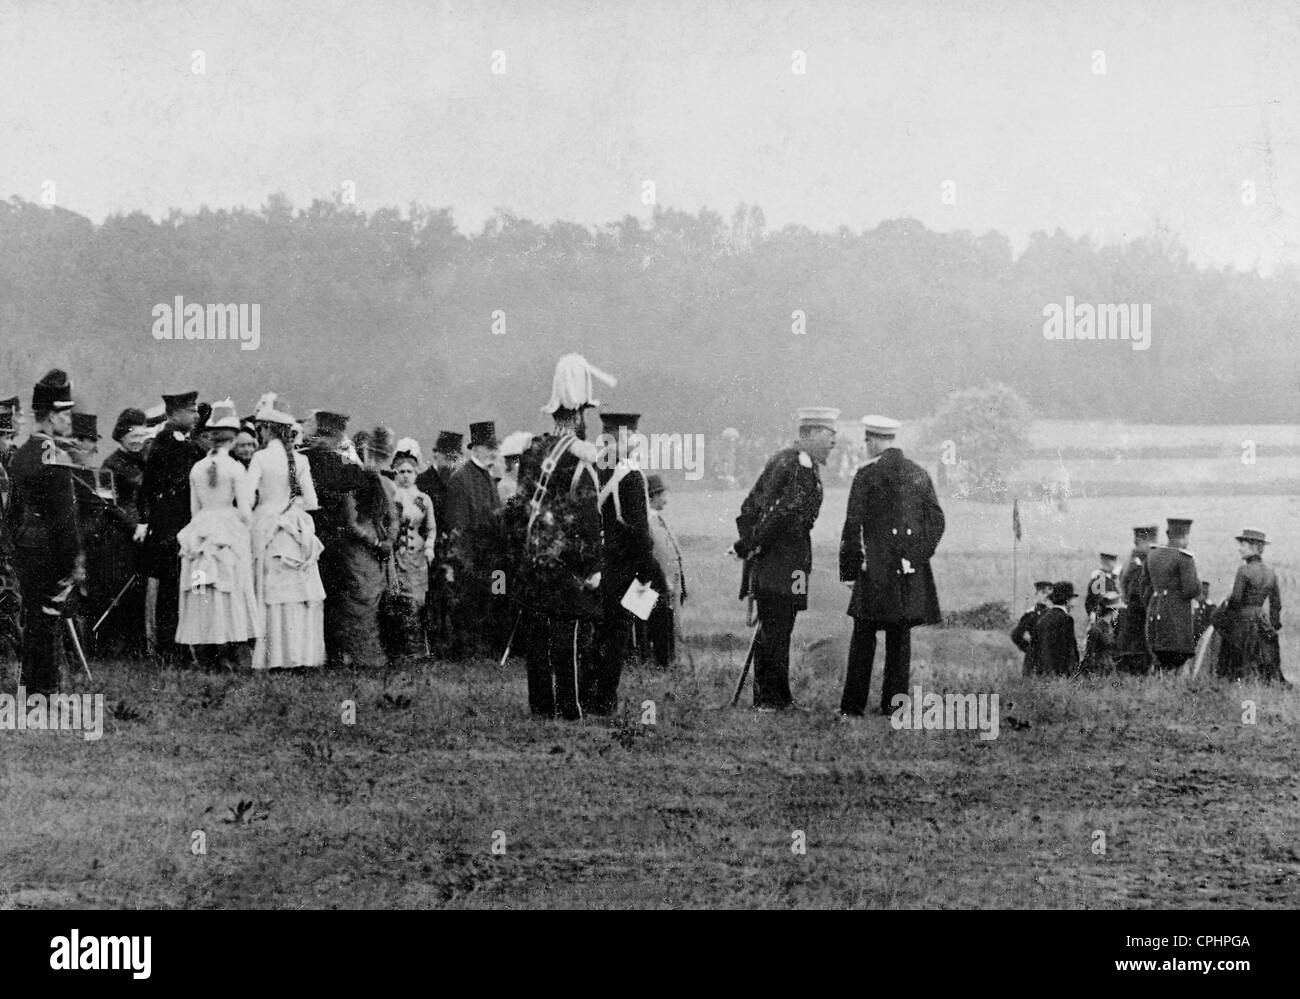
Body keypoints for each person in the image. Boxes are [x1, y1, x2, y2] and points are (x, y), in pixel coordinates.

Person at [503, 353, 611, 720]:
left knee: (537, 636)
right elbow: (586, 517)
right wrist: (593, 564)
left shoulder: (532, 450)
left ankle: (540, 707)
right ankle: (570, 707)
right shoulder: (581, 457)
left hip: (534, 560)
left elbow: (518, 509)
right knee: (568, 637)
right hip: (567, 563)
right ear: (580, 414)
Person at [838, 414, 945, 717]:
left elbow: (852, 525)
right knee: (900, 639)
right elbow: (937, 521)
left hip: (874, 570)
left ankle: (852, 706)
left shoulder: (866, 475)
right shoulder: (919, 473)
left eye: (866, 440)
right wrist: (915, 556)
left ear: (873, 440)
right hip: (907, 572)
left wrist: (849, 570)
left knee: (863, 637)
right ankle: (894, 706)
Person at [732, 406, 836, 712]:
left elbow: (752, 507)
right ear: (811, 435)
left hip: (787, 561)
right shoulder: (796, 464)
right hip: (782, 561)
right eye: (830, 435)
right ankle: (769, 701)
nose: (834, 442)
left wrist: (750, 542)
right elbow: (777, 511)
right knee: (777, 627)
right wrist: (751, 544)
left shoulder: (794, 461)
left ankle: (777, 698)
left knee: (779, 626)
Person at [4, 370, 83, 696]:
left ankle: (32, 688)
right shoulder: (55, 455)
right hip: (50, 550)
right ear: (52, 414)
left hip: (24, 548)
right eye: (66, 412)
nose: (69, 419)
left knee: (34, 620)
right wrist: (73, 560)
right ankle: (45, 693)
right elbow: (64, 518)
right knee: (48, 621)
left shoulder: (21, 454)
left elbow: (11, 512)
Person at [175, 400, 261, 671]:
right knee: (230, 587)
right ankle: (231, 650)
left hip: (202, 528)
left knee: (204, 589)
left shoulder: (197, 468)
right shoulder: (236, 468)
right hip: (228, 527)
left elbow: (193, 509)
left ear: (212, 436)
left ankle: (207, 651)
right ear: (234, 438)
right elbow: (246, 511)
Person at [590, 412, 666, 708]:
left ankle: (590, 691)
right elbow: (638, 531)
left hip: (601, 562)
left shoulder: (596, 469)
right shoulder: (630, 475)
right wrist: (650, 575)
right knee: (618, 633)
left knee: (600, 632)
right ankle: (604, 699)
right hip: (626, 568)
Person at [243, 401, 326, 671]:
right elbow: (311, 501)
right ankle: (300, 656)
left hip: (268, 526)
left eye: (260, 429)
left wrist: (258, 512)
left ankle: (273, 657)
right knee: (298, 593)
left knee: (271, 592)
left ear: (268, 430)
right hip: (295, 526)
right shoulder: (300, 459)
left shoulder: (260, 458)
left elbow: (245, 498)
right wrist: (291, 510)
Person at [139, 390, 203, 663]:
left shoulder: (185, 444)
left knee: (182, 586)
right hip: (168, 526)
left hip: (182, 523)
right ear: (174, 414)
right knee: (170, 589)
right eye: (190, 410)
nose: (195, 415)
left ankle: (181, 646)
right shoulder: (163, 445)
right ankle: (169, 648)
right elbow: (148, 490)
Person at [301, 409, 369, 664]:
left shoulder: (303, 458)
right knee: (334, 596)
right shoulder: (340, 464)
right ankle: (335, 652)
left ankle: (314, 650)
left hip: (309, 535)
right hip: (333, 537)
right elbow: (361, 479)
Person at [336, 427, 400, 669]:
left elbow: (392, 515)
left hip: (376, 546)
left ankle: (372, 654)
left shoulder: (379, 481)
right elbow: (351, 523)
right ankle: (361, 655)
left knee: (375, 598)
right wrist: (379, 543)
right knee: (361, 599)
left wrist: (389, 541)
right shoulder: (351, 483)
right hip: (361, 548)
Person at [444, 420, 504, 658]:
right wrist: (466, 560)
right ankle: (467, 651)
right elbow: (457, 524)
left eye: (495, 447)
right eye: (489, 447)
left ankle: (485, 649)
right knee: (470, 605)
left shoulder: (488, 477)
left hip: (491, 556)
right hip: (471, 557)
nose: (494, 452)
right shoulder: (461, 478)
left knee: (492, 600)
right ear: (475, 448)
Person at [95, 408, 151, 657]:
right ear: (122, 436)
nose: (137, 441)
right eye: (133, 437)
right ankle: (112, 647)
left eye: (141, 436)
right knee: (119, 588)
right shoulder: (110, 464)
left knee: (140, 589)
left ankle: (138, 645)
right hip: (119, 534)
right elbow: (107, 504)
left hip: (145, 530)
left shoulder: (148, 460)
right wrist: (133, 526)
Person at [383, 448, 437, 661]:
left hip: (417, 554)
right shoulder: (390, 495)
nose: (405, 475)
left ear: (416, 474)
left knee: (418, 600)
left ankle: (417, 648)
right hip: (395, 554)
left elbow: (431, 528)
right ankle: (398, 649)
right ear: (395, 472)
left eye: (409, 471)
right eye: (401, 471)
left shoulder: (422, 499)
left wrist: (430, 546)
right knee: (396, 599)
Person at [1216, 530, 1286, 684]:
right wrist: (1272, 627)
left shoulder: (1244, 570)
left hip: (1242, 622)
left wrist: (1225, 617)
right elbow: (1276, 604)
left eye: (1243, 545)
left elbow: (1236, 600)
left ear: (1254, 547)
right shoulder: (1271, 573)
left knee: (1235, 665)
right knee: (1264, 665)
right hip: (1262, 621)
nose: (1240, 548)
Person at [418, 430, 462, 656]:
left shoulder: (456, 481)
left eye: (455, 457)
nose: (451, 461)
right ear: (435, 454)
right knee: (432, 598)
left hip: (451, 549)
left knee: (450, 598)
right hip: (429, 548)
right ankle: (433, 644)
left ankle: (449, 644)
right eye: (447, 456)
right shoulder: (422, 481)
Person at [1143, 517, 1201, 672]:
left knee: (1160, 656)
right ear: (1186, 534)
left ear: (1168, 533)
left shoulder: (1153, 555)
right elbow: (1191, 589)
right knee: (1177, 658)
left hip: (1155, 612)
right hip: (1176, 616)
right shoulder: (1184, 558)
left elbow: (1145, 587)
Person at [646, 473, 686, 668]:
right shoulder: (646, 521)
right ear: (652, 496)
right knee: (655, 624)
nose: (666, 499)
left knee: (668, 623)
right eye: (662, 494)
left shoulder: (658, 519)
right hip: (654, 583)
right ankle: (659, 662)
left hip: (669, 583)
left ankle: (668, 661)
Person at [1115, 525, 1157, 674]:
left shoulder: (1130, 562)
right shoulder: (1139, 564)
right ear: (1142, 541)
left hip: (1130, 622)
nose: (1154, 548)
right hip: (1138, 623)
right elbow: (1139, 594)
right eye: (1151, 544)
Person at [1033, 581, 1079, 677]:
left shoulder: (1043, 618)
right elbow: (1069, 651)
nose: (1075, 601)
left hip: (1042, 674)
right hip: (1060, 674)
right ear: (1067, 600)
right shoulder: (1066, 619)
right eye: (1073, 598)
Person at [1010, 580, 1053, 676]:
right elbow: (1016, 635)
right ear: (1036, 594)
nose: (1045, 596)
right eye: (1043, 593)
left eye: (1048, 594)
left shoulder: (1053, 614)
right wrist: (1029, 649)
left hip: (1050, 659)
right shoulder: (1030, 614)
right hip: (1033, 661)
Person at [1080, 592, 1120, 675]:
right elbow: (1089, 654)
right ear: (1113, 611)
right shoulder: (1097, 628)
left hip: (1108, 668)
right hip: (1099, 669)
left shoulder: (1108, 627)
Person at [1085, 552, 1120, 618]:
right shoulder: (1098, 579)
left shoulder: (1113, 576)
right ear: (1107, 563)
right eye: (1113, 561)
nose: (1115, 564)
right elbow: (1092, 601)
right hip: (1103, 615)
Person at [1193, 580, 1215, 647]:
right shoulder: (1192, 607)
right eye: (1203, 591)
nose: (1205, 592)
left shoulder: (1211, 607)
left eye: (1206, 590)